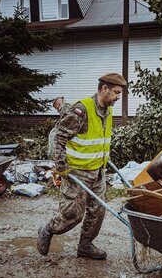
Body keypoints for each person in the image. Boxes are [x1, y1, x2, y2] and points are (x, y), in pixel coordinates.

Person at [38, 73, 127, 260]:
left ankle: (85, 246)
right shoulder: (82, 110)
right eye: (116, 92)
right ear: (104, 89)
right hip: (77, 173)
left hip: (98, 172)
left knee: (97, 212)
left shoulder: (108, 111)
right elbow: (60, 138)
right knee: (73, 215)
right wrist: (61, 168)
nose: (118, 97)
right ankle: (48, 229)